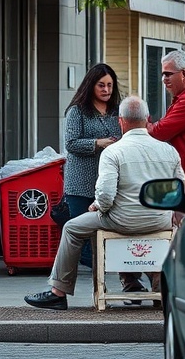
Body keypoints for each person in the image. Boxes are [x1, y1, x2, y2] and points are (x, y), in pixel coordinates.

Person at [24, 95, 185, 310]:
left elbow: (106, 195)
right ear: (148, 119)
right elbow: (180, 189)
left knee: (72, 228)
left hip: (122, 220)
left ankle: (58, 292)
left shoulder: (113, 151)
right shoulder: (169, 150)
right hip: (160, 220)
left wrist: (98, 205)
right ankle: (156, 284)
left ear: (121, 121)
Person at [62, 63, 122, 267]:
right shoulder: (77, 112)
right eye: (101, 85)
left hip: (109, 184)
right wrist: (98, 143)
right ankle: (95, 271)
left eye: (110, 85)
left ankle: (109, 268)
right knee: (84, 233)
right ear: (91, 86)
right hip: (81, 183)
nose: (106, 90)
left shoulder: (117, 111)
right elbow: (70, 143)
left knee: (109, 230)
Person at [147, 49, 185, 175]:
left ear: (184, 73)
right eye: (163, 74)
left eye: (168, 74)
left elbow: (158, 132)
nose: (164, 79)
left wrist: (143, 124)